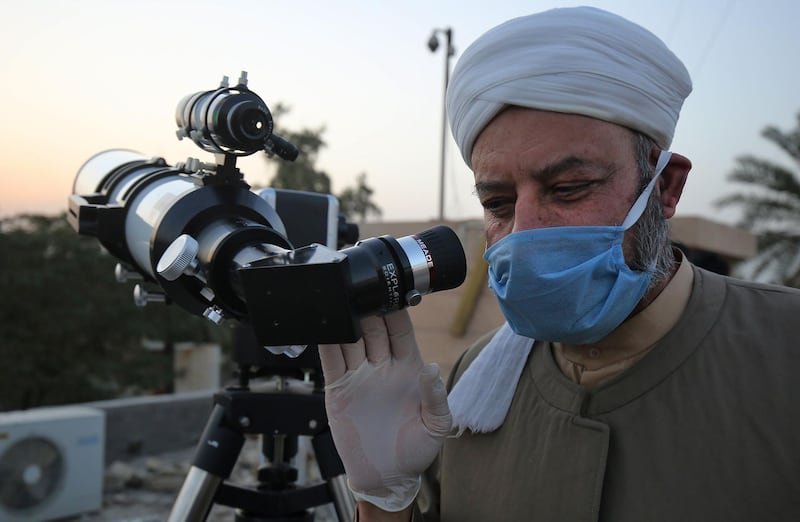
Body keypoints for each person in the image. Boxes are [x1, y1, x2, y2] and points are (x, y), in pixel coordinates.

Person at [319, 6, 800, 521]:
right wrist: (385, 495)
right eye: (499, 203)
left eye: (569, 189)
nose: (525, 230)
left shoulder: (785, 351)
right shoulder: (464, 389)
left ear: (665, 187)